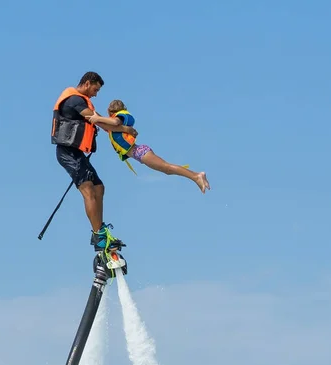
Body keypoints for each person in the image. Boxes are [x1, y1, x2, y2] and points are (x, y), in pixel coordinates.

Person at [51, 72, 138, 252]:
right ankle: (99, 236)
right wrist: (125, 128)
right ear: (88, 83)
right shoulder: (75, 100)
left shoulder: (83, 101)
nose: (96, 94)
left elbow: (102, 123)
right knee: (89, 189)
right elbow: (96, 120)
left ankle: (100, 231)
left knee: (99, 187)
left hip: (76, 153)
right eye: (95, 89)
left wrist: (121, 131)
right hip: (67, 153)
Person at [87, 99, 211, 193]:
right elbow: (107, 125)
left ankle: (196, 176)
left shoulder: (121, 116)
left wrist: (97, 118)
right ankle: (196, 176)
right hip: (139, 152)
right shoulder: (114, 128)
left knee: (167, 168)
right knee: (166, 169)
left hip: (139, 151)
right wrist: (95, 116)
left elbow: (114, 122)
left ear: (110, 112)